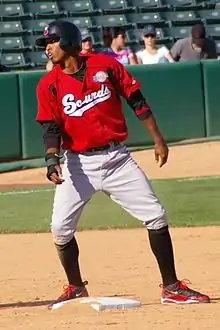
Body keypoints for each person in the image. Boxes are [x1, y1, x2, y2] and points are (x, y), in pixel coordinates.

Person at [35, 20, 210, 311]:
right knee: (60, 229)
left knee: (156, 216)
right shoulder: (47, 85)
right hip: (79, 164)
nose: (47, 49)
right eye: (45, 45)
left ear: (67, 41)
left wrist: (158, 139)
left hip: (118, 160)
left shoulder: (104, 66)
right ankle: (76, 287)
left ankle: (171, 287)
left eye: (51, 43)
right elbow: (50, 128)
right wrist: (52, 158)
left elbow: (137, 101)